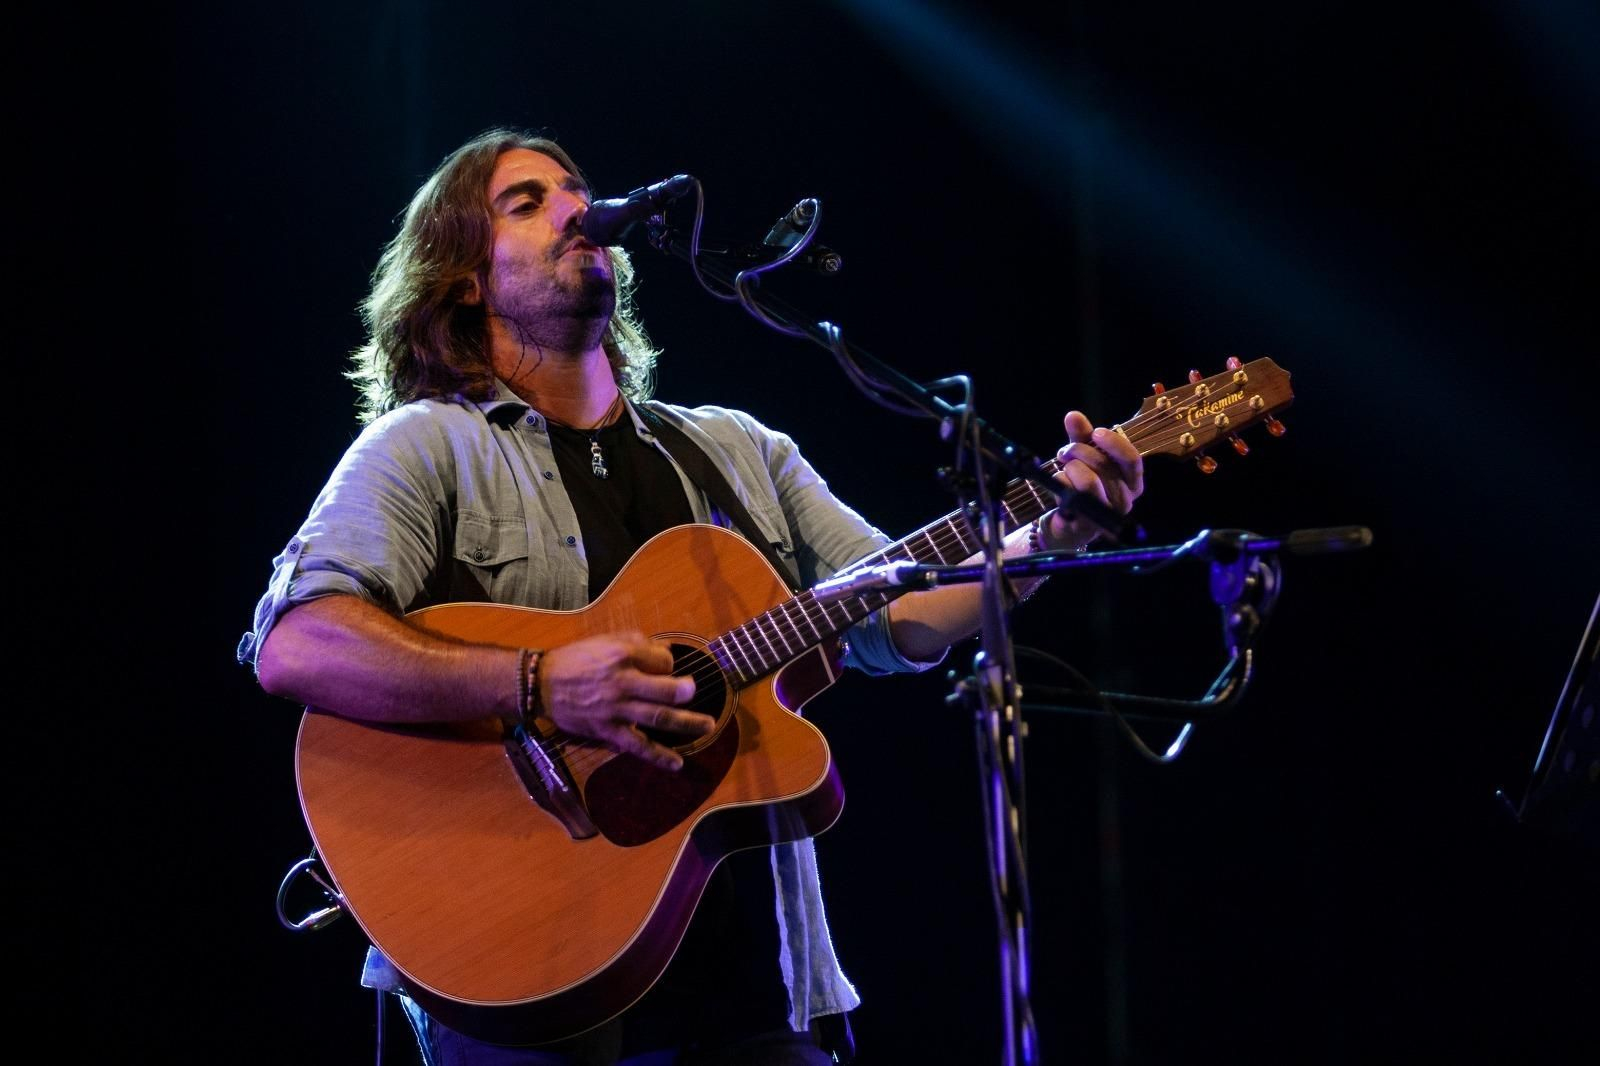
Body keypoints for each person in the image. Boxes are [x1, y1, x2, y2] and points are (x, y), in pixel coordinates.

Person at [239, 128, 1143, 1065]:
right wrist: (539, 682)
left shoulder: (736, 450)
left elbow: (897, 609)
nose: (574, 210)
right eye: (527, 202)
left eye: (576, 189)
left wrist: (1050, 539)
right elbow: (297, 643)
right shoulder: (427, 444)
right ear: (464, 280)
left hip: (753, 985)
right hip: (521, 965)